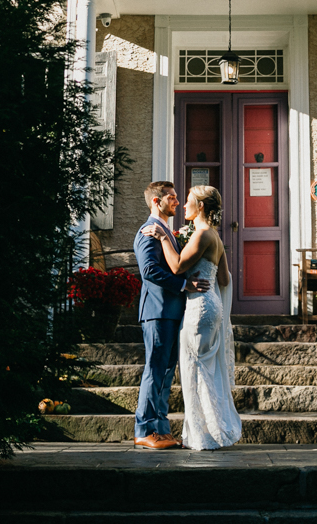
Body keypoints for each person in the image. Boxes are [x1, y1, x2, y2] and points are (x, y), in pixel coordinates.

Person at [141, 185, 242, 451]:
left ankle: (203, 435)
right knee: (204, 369)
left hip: (198, 310)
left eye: (187, 201)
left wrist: (164, 238)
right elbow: (224, 279)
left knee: (195, 370)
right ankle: (210, 429)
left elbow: (176, 267)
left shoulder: (201, 235)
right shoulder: (215, 237)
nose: (183, 206)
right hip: (212, 307)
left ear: (201, 207)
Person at [133, 181, 211, 450]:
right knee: (154, 371)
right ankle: (144, 430)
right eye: (172, 197)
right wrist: (184, 285)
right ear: (157, 201)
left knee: (167, 373)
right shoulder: (148, 231)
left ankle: (161, 429)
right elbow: (149, 271)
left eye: (178, 198)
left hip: (173, 311)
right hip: (157, 311)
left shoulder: (167, 231)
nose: (177, 202)